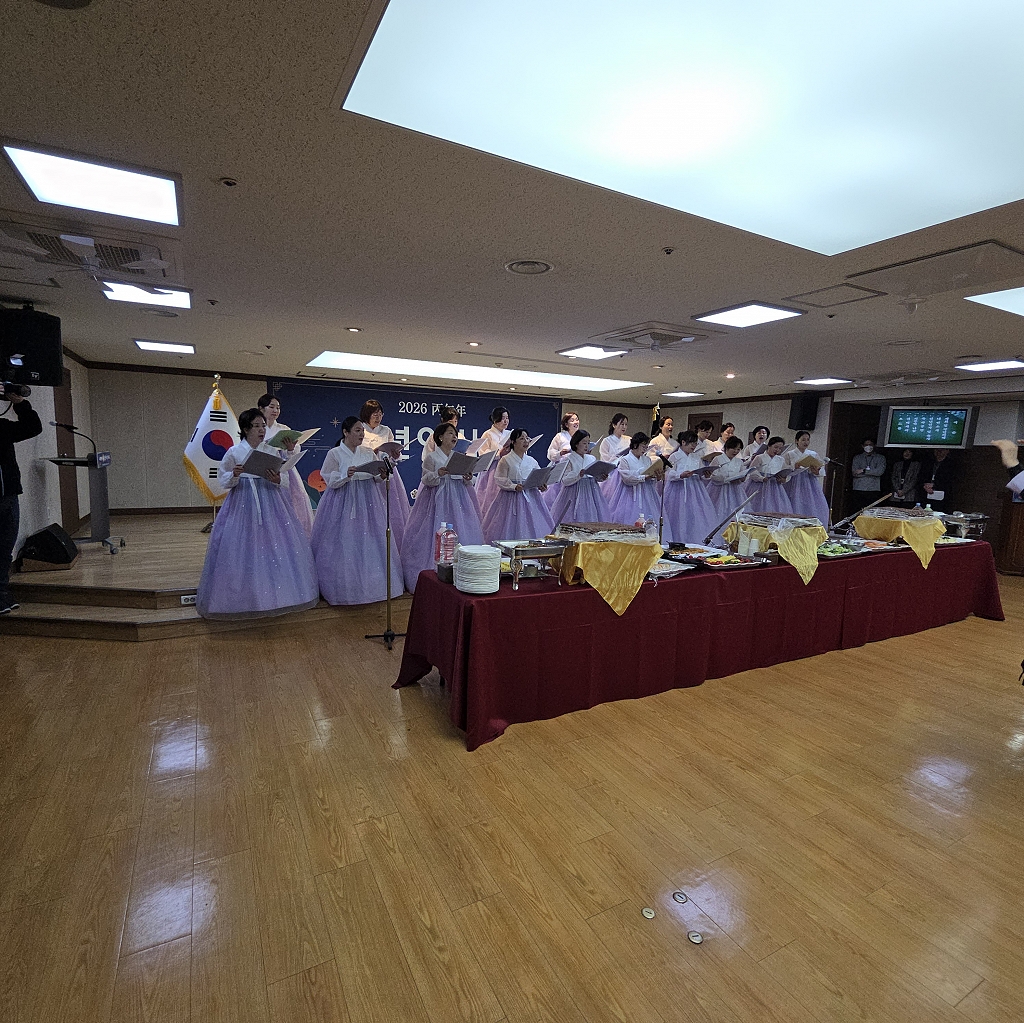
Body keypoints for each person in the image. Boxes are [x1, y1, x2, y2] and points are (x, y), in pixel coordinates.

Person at [196, 408, 319, 620]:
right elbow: (223, 480)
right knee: (243, 547)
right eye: (257, 426)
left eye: (263, 426)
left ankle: (278, 594)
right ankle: (246, 596)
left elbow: (284, 479)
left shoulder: (271, 451)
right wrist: (235, 475)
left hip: (271, 500)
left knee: (275, 545)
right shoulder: (234, 452)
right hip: (243, 501)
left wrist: (277, 479)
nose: (262, 430)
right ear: (246, 429)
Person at [311, 416, 404, 605]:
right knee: (344, 540)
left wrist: (382, 474)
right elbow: (328, 478)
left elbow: (376, 478)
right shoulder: (335, 453)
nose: (361, 434)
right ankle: (343, 586)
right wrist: (345, 474)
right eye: (357, 430)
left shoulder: (368, 452)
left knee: (370, 540)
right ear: (345, 432)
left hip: (368, 501)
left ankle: (373, 585)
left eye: (362, 431)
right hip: (342, 501)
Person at [401, 422, 483, 592]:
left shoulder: (458, 457)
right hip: (436, 501)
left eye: (455, 434)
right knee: (435, 533)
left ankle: (464, 574)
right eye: (450, 433)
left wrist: (468, 477)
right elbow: (425, 479)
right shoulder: (432, 457)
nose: (454, 437)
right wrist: (437, 474)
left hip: (459, 500)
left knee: (462, 531)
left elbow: (469, 481)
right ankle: (434, 575)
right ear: (440, 437)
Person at [0, 389, 42, 615]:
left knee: (5, 550)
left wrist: (20, 403)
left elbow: (32, 427)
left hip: (8, 496)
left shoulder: (2, 427)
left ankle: (2, 594)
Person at [256, 393, 315, 535]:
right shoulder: (256, 429)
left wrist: (290, 449)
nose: (275, 410)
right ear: (261, 408)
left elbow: (294, 452)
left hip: (285, 469)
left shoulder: (284, 429)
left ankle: (292, 535)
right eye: (272, 407)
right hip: (263, 468)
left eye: (278, 408)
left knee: (292, 503)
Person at [481, 428, 553, 542]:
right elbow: (499, 478)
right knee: (509, 525)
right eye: (522, 438)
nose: (526, 441)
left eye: (527, 438)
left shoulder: (532, 461)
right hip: (510, 498)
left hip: (531, 496)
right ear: (513, 442)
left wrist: (541, 485)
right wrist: (513, 486)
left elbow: (539, 476)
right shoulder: (505, 460)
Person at [360, 399, 410, 545]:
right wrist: (373, 452)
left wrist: (395, 454)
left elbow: (393, 453)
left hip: (386, 469)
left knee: (390, 506)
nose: (378, 417)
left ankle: (392, 541)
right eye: (374, 414)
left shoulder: (386, 430)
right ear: (367, 414)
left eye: (380, 414)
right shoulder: (361, 429)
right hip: (368, 471)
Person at [662, 430, 718, 545]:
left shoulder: (696, 457)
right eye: (692, 443)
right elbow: (668, 474)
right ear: (683, 442)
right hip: (678, 490)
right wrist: (680, 475)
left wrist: (706, 475)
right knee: (678, 516)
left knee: (695, 516)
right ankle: (677, 540)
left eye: (695, 443)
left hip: (695, 490)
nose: (694, 446)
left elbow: (701, 473)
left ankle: (693, 540)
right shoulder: (675, 456)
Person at [547, 430, 610, 525]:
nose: (587, 446)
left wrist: (601, 476)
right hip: (573, 493)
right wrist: (578, 475)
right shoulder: (568, 459)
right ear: (576, 444)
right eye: (584, 443)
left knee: (592, 516)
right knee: (572, 518)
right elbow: (564, 480)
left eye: (588, 443)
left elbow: (594, 476)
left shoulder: (591, 458)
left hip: (591, 491)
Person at [605, 432, 663, 525]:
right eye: (643, 446)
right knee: (628, 519)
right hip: (629, 494)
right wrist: (643, 477)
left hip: (647, 493)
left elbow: (651, 479)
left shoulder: (647, 460)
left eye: (646, 447)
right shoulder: (625, 459)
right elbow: (627, 478)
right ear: (635, 445)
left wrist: (656, 477)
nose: (645, 449)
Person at [472, 406, 511, 518]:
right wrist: (499, 453)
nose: (505, 421)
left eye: (507, 418)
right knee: (490, 497)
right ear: (495, 419)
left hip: (506, 467)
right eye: (502, 418)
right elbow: (483, 453)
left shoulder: (509, 434)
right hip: (491, 470)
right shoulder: (488, 434)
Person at [784, 430, 830, 523]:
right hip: (794, 480)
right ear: (796, 441)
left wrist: (816, 471)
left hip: (809, 481)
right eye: (803, 440)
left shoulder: (813, 454)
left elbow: (820, 470)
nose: (806, 442)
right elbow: (784, 468)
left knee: (810, 502)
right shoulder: (790, 454)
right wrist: (794, 467)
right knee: (794, 501)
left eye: (808, 439)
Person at [747, 437, 795, 515]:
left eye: (780, 448)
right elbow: (751, 471)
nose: (777, 450)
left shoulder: (781, 459)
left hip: (775, 486)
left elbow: (786, 472)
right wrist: (761, 478)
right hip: (759, 485)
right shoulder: (759, 457)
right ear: (769, 446)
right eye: (775, 447)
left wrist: (783, 479)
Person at [707, 436, 749, 520]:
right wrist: (725, 478)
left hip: (735, 489)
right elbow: (712, 474)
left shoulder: (739, 461)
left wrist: (741, 478)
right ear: (727, 447)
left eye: (738, 449)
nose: (736, 451)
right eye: (733, 448)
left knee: (736, 511)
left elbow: (743, 475)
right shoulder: (718, 459)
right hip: (719, 489)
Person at [850, 437, 886, 509]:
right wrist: (872, 473)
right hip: (859, 488)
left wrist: (863, 471)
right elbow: (855, 473)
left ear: (874, 445)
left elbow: (879, 472)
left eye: (870, 444)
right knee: (858, 510)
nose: (868, 446)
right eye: (866, 445)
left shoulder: (880, 458)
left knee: (872, 511)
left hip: (873, 489)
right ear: (862, 446)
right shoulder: (857, 458)